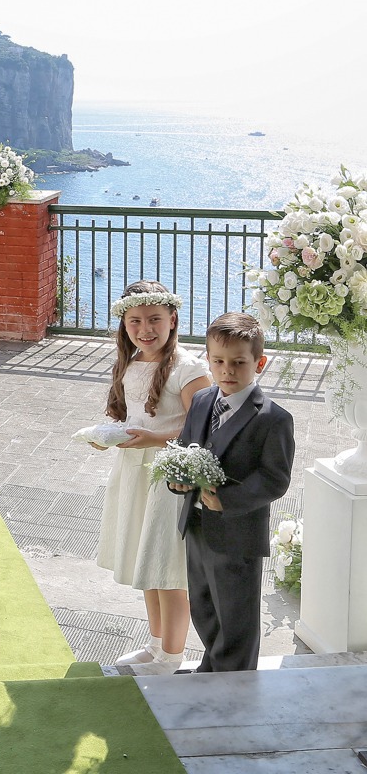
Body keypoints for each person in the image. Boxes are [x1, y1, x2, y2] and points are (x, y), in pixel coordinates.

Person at [169, 311, 295, 673]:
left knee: (236, 615)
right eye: (219, 361)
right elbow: (184, 446)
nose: (228, 370)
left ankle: (234, 684)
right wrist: (176, 477)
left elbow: (275, 478)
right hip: (195, 526)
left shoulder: (274, 419)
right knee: (204, 606)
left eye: (239, 363)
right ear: (207, 359)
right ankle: (213, 666)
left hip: (237, 534)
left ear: (259, 362)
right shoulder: (203, 400)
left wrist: (227, 499)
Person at [95, 280, 210, 674]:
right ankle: (156, 645)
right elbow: (136, 418)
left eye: (155, 320)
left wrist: (153, 438)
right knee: (147, 564)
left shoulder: (189, 369)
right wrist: (111, 435)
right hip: (135, 472)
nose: (145, 329)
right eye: (135, 321)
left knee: (168, 569)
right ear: (124, 325)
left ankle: (172, 657)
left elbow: (203, 428)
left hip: (169, 477)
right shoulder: (131, 363)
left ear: (173, 319)